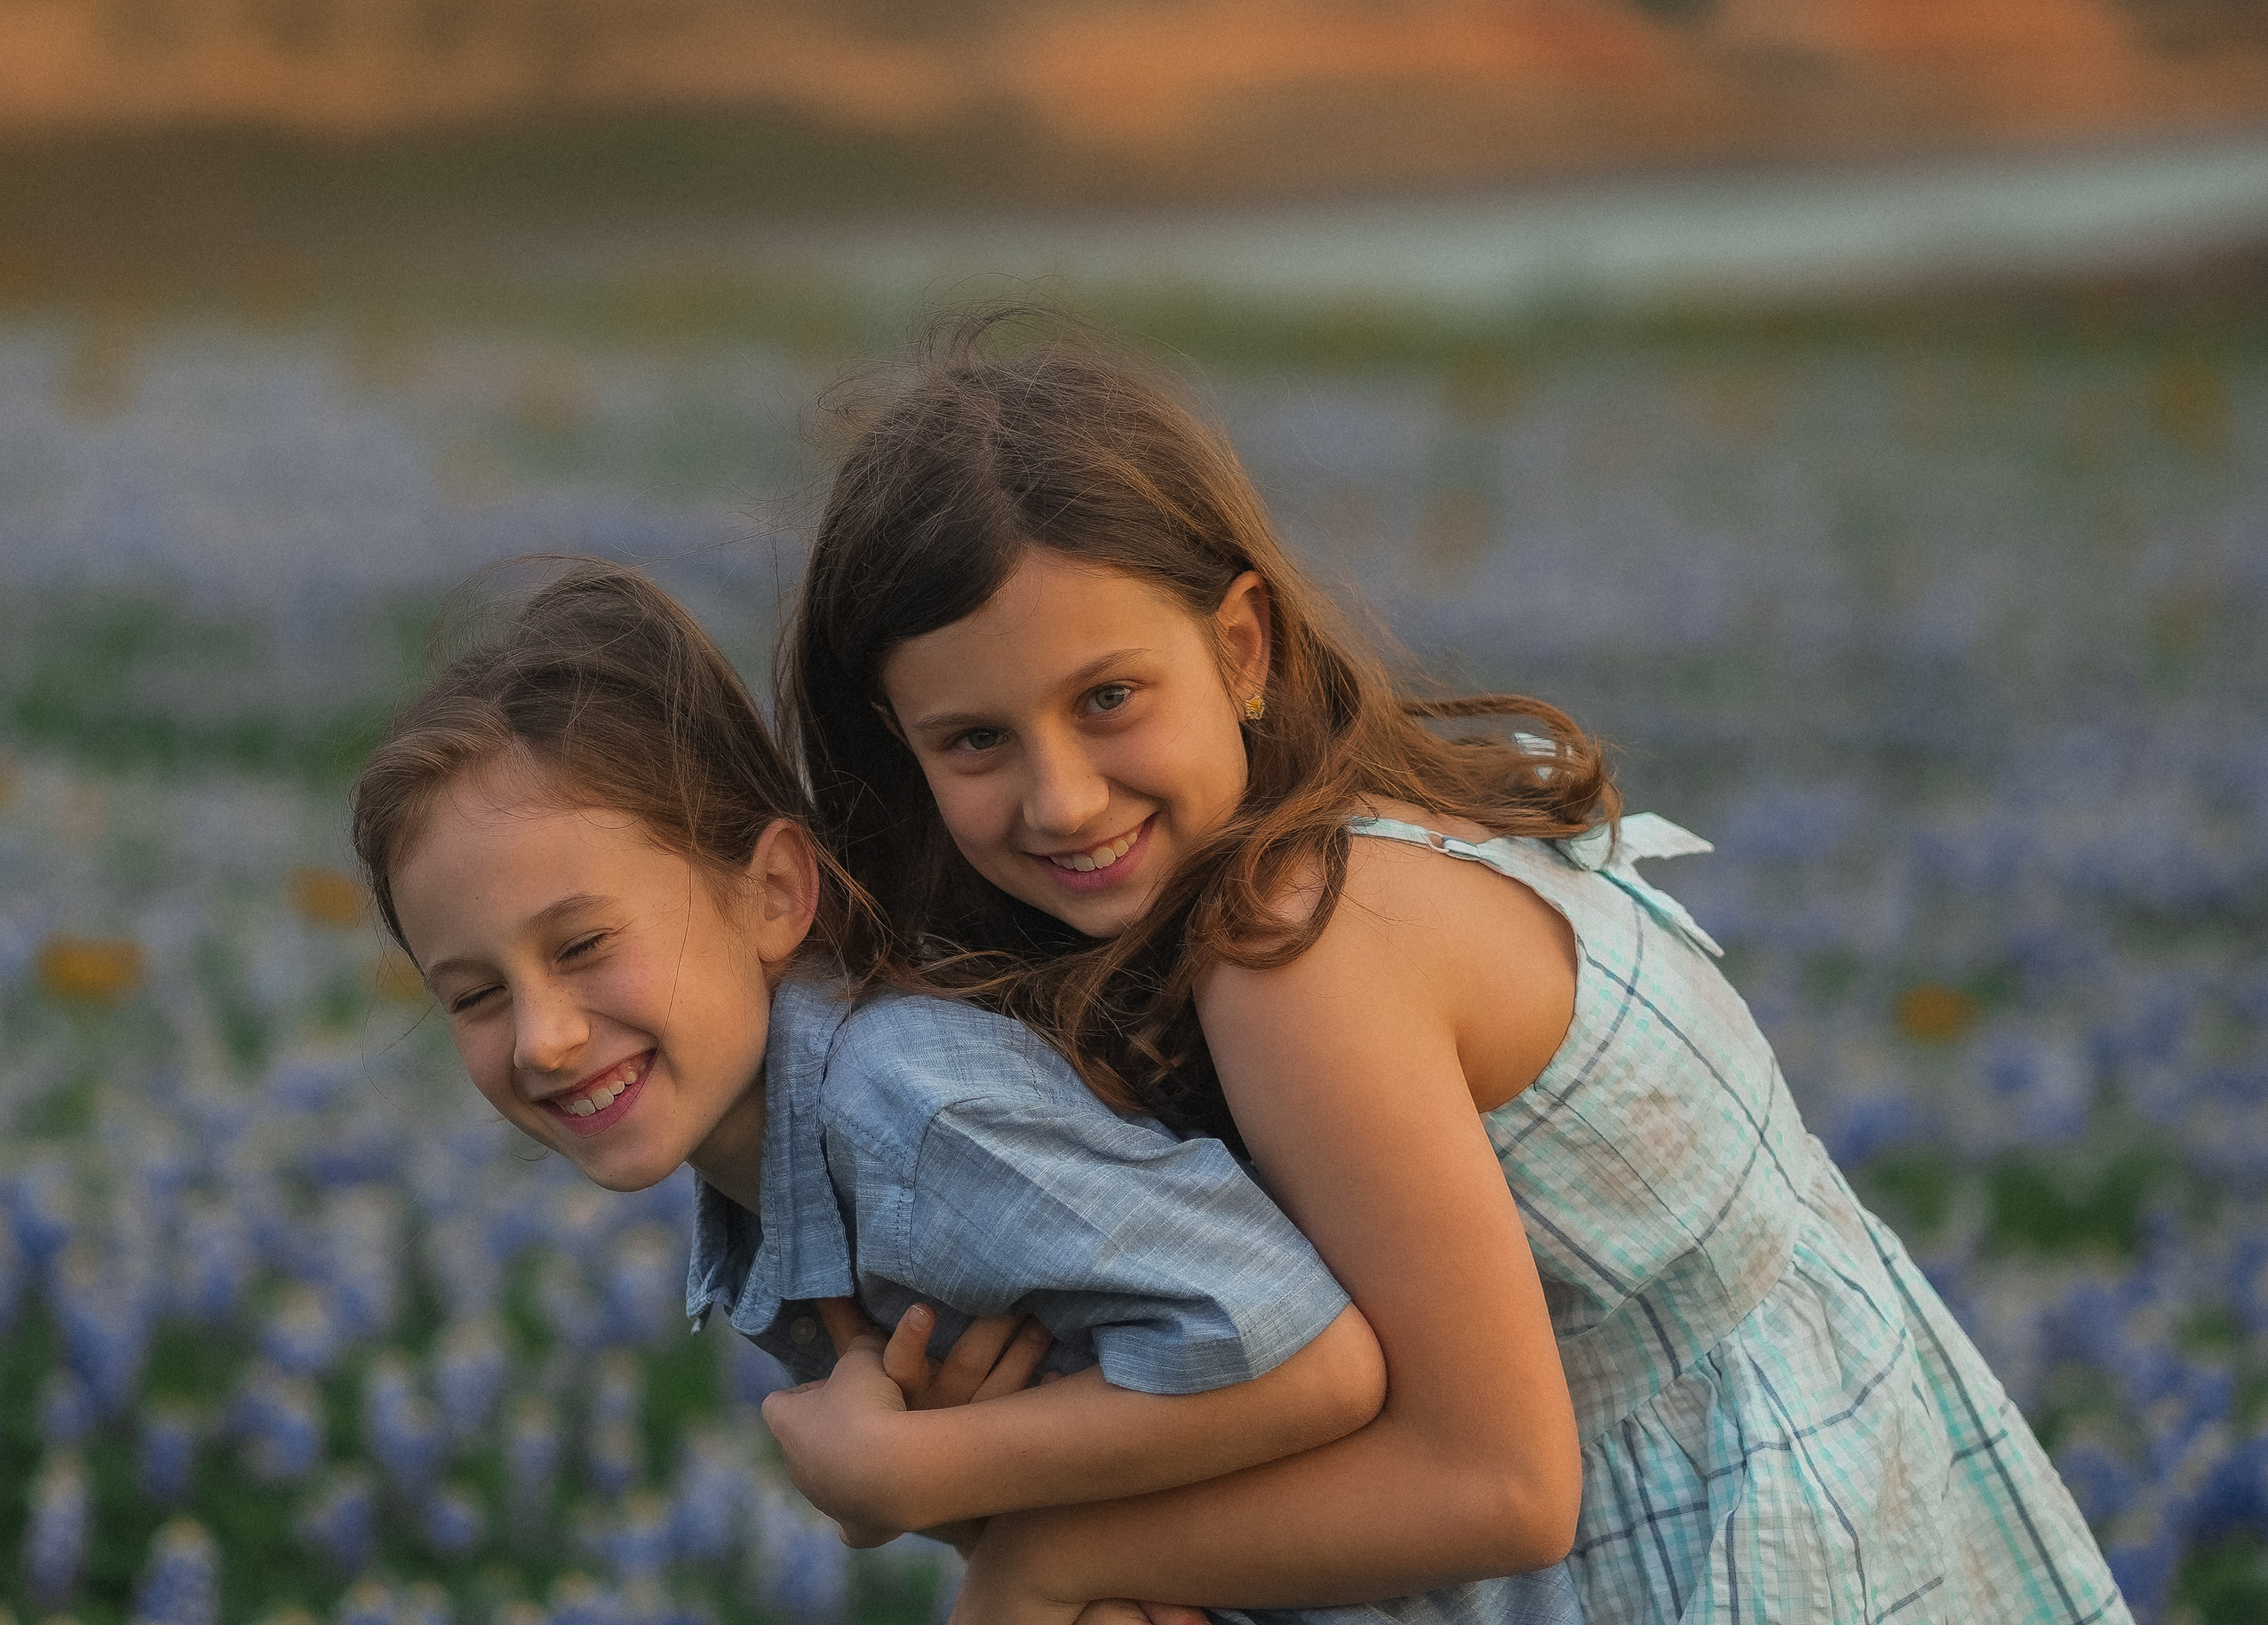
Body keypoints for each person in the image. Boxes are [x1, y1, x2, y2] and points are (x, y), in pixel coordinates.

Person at [772, 314, 2134, 1625]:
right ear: (902, 744)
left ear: (1240, 644)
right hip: (1845, 1472)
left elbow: (1503, 1484)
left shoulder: (1302, 952)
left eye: (1109, 697)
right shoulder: (1351, 836)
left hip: (1718, 1551)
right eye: (973, 742)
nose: (1062, 797)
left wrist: (1004, 1534)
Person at [347, 562, 1580, 1625]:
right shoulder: (765, 1146)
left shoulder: (906, 1108)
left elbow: (1303, 1357)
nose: (546, 1038)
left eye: (580, 946)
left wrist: (925, 1480)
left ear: (775, 894)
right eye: (473, 994)